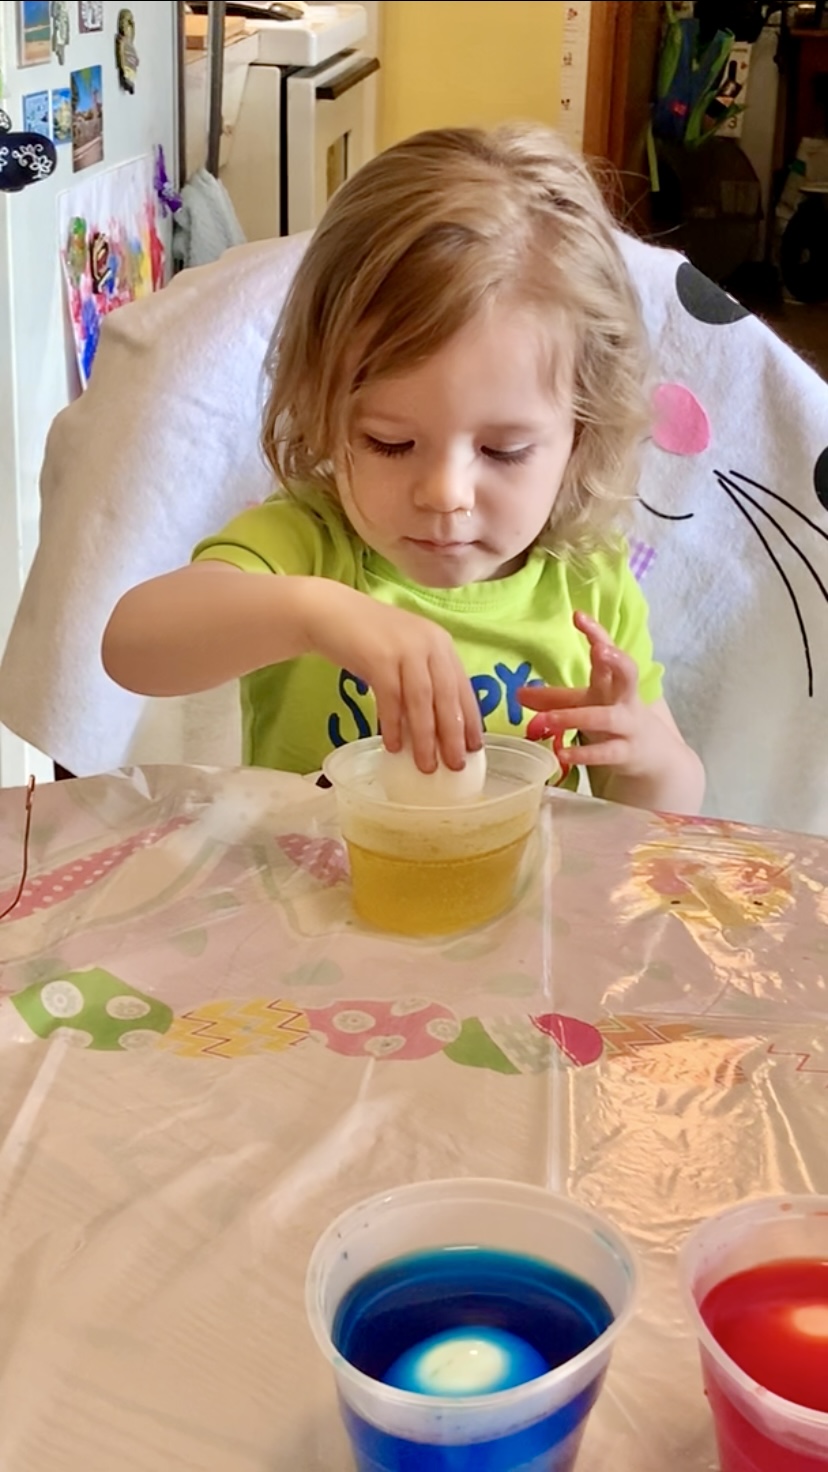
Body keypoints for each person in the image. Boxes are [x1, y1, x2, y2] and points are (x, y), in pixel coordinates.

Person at [102, 123, 704, 815]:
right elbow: (131, 647)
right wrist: (314, 614)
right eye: (389, 442)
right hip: (305, 884)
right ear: (323, 410)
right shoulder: (311, 546)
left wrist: (644, 757)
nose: (446, 494)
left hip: (519, 886)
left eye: (504, 451)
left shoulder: (588, 581)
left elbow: (664, 814)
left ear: (583, 433)